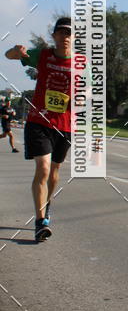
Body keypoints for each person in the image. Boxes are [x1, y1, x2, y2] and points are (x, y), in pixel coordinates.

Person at [5, 17, 74, 242]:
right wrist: (16, 51)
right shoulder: (42, 55)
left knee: (54, 172)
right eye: (61, 32)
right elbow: (9, 56)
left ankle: (47, 203)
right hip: (39, 121)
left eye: (69, 33)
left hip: (65, 125)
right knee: (43, 169)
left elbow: (88, 91)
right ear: (54, 36)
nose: (65, 37)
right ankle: (40, 221)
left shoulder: (81, 63)